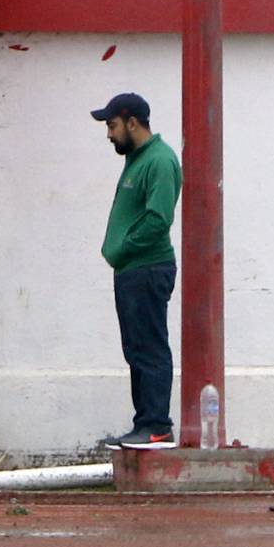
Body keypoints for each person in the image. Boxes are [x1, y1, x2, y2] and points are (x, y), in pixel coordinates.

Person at [91, 93, 182, 450]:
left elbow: (159, 219)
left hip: (147, 268)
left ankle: (156, 426)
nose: (109, 134)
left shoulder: (159, 160)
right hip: (133, 270)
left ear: (132, 123)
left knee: (149, 347)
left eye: (112, 125)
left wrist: (124, 246)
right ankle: (144, 425)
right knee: (136, 349)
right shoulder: (138, 159)